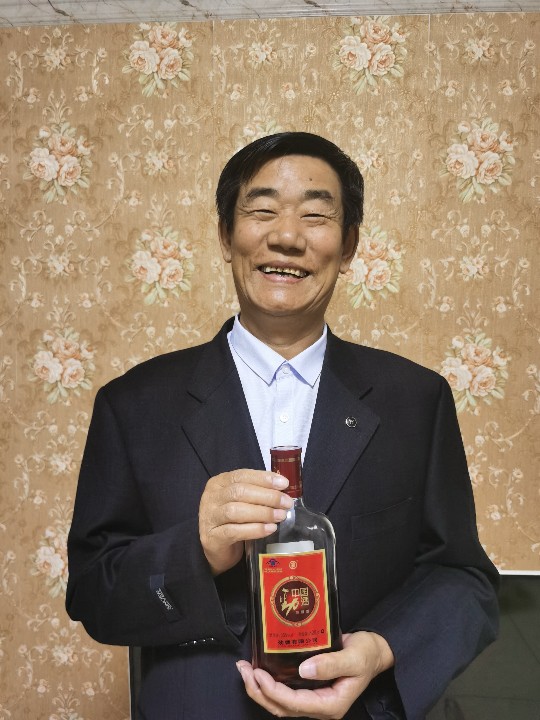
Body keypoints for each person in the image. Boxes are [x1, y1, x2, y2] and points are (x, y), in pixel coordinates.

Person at [66, 132, 499, 720]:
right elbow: (92, 592)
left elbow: (464, 578)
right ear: (226, 235)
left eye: (316, 216)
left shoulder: (416, 400)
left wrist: (381, 649)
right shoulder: (134, 405)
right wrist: (197, 549)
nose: (288, 237)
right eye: (263, 210)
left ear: (348, 245)